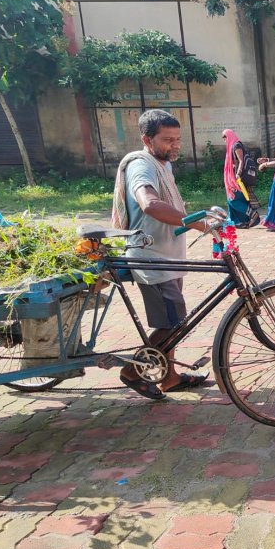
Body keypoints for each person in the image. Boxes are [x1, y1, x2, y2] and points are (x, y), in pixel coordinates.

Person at [111, 109, 210, 400]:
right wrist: (198, 223)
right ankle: (132, 371)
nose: (175, 145)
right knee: (172, 324)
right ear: (147, 139)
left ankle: (169, 378)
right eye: (167, 140)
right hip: (152, 258)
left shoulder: (162, 163)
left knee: (173, 322)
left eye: (177, 139)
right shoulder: (142, 165)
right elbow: (150, 204)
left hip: (168, 257)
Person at [222, 128, 259, 229]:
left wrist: (238, 173)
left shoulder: (236, 145)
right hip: (234, 177)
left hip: (239, 177)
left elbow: (241, 160)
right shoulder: (232, 146)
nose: (224, 139)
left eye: (224, 137)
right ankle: (237, 221)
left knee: (233, 199)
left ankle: (252, 214)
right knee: (233, 198)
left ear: (229, 135)